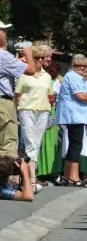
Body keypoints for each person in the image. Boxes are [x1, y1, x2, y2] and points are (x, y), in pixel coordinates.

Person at [57, 55, 87, 187]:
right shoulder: (73, 76)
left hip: (76, 116)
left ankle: (67, 175)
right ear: (74, 67)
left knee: (73, 146)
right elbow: (80, 95)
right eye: (80, 66)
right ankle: (74, 177)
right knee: (76, 146)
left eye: (85, 66)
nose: (83, 69)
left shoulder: (78, 78)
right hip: (74, 116)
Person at [15, 45, 52, 192]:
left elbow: (50, 96)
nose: (40, 61)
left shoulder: (47, 76)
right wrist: (15, 112)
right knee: (30, 142)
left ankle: (30, 179)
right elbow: (17, 95)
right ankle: (31, 179)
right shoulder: (24, 75)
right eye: (37, 58)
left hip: (42, 110)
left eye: (42, 58)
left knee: (36, 144)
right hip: (26, 109)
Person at [0, 19, 35, 158]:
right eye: (3, 31)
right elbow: (31, 70)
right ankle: (2, 178)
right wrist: (28, 54)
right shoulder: (3, 56)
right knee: (7, 143)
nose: (6, 33)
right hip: (3, 102)